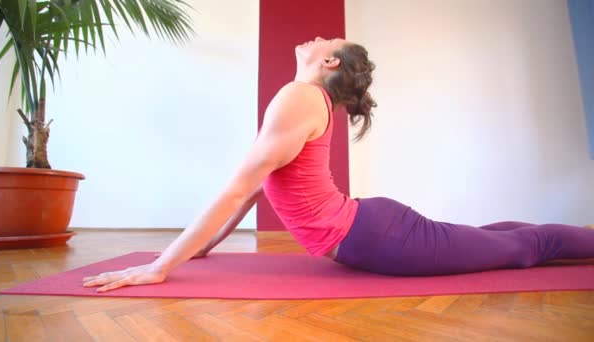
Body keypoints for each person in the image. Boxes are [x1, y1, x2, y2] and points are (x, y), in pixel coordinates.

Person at [83, 37, 594, 292]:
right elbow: (254, 187)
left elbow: (239, 189)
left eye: (328, 39)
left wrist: (160, 266)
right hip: (374, 228)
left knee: (524, 248)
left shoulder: (298, 97)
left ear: (330, 63)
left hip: (378, 235)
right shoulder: (299, 99)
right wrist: (201, 248)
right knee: (501, 237)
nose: (317, 36)